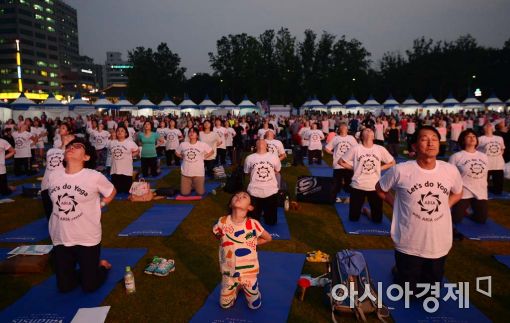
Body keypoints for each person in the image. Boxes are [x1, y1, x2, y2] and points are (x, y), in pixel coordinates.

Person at [376, 126, 463, 296]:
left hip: (439, 241)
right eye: (424, 139)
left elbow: (458, 192)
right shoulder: (400, 170)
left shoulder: (450, 170)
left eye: (435, 138)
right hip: (409, 241)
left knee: (431, 293)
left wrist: (447, 205)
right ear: (414, 146)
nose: (430, 142)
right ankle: (399, 272)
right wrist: (396, 205)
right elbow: (380, 188)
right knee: (409, 292)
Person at [48, 137, 116, 292]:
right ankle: (85, 270)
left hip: (87, 237)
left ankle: (101, 266)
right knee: (65, 288)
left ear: (86, 157)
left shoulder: (93, 176)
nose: (71, 147)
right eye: (69, 146)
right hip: (61, 237)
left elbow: (112, 191)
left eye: (77, 146)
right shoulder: (54, 176)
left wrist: (102, 204)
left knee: (89, 286)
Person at [212, 191, 272, 309]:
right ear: (230, 204)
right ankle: (235, 289)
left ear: (250, 207)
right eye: (236, 195)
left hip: (249, 273)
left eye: (244, 197)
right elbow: (216, 234)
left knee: (255, 305)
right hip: (228, 273)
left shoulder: (253, 224)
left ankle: (251, 290)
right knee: (224, 305)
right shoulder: (222, 222)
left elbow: (268, 238)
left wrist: (255, 242)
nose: (239, 197)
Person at [339, 127, 395, 223]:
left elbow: (392, 162)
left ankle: (366, 211)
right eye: (366, 130)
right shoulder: (355, 148)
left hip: (375, 187)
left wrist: (380, 168)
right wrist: (354, 168)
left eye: (371, 130)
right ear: (361, 136)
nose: (369, 131)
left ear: (374, 136)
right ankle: (360, 210)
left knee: (377, 220)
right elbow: (341, 162)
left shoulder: (380, 149)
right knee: (353, 218)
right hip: (357, 186)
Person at [449, 129, 489, 239]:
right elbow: (450, 176)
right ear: (462, 140)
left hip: (480, 192)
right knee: (455, 219)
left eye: (474, 136)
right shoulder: (456, 156)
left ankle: (469, 212)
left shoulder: (484, 156)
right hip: (463, 192)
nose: (472, 138)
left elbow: (485, 174)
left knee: (481, 219)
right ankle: (463, 210)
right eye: (468, 136)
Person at [244, 139, 281, 225]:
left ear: (267, 146)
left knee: (271, 222)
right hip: (254, 191)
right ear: (255, 146)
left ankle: (267, 216)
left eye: (263, 142)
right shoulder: (249, 158)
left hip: (271, 191)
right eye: (258, 142)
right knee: (254, 222)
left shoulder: (274, 157)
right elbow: (247, 172)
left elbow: (277, 170)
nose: (261, 143)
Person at [325, 123, 358, 201]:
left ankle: (349, 194)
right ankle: (335, 195)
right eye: (341, 127)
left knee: (349, 181)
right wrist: (333, 153)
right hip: (337, 164)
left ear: (347, 129)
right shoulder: (335, 138)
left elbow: (357, 149)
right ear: (339, 129)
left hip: (348, 164)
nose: (343, 128)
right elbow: (327, 148)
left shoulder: (351, 138)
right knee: (336, 182)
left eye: (345, 127)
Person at [175, 127, 213, 196]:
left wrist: (204, 157)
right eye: (190, 132)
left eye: (194, 132)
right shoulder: (183, 144)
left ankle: (194, 185)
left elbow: (211, 151)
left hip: (198, 173)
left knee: (200, 193)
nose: (191, 133)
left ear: (197, 135)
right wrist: (181, 156)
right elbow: (177, 152)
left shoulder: (202, 144)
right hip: (186, 173)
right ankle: (191, 185)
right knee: (184, 194)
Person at [110, 125, 139, 194]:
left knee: (127, 191)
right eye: (118, 131)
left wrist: (131, 156)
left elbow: (137, 150)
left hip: (126, 171)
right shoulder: (112, 143)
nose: (120, 132)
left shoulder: (130, 143)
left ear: (126, 133)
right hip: (115, 170)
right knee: (117, 191)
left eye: (122, 131)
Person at [478, 123, 505, 195]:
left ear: (493, 128)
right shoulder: (480, 139)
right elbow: (476, 150)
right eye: (487, 125)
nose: (489, 125)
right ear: (484, 128)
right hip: (486, 164)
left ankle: (493, 189)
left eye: (490, 125)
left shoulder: (499, 138)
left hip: (498, 164)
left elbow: (502, 149)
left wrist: (497, 156)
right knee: (483, 186)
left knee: (498, 190)